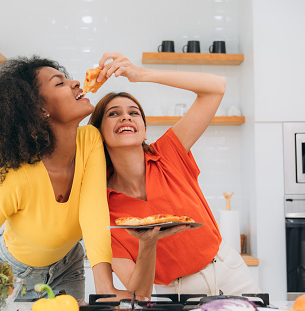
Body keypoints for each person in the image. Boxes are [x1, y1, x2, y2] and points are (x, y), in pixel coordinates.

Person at [0, 56, 134, 301]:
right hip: (14, 272)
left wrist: (105, 288)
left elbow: (94, 214)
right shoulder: (15, 176)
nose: (76, 83)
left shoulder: (90, 140)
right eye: (60, 83)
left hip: (68, 265)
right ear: (39, 109)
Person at [88, 52, 261, 299]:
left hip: (228, 272)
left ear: (144, 129)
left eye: (134, 112)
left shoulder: (169, 152)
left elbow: (216, 88)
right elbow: (138, 292)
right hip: (176, 294)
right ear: (99, 133)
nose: (126, 116)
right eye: (113, 113)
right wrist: (148, 244)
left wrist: (141, 74)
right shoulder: (104, 207)